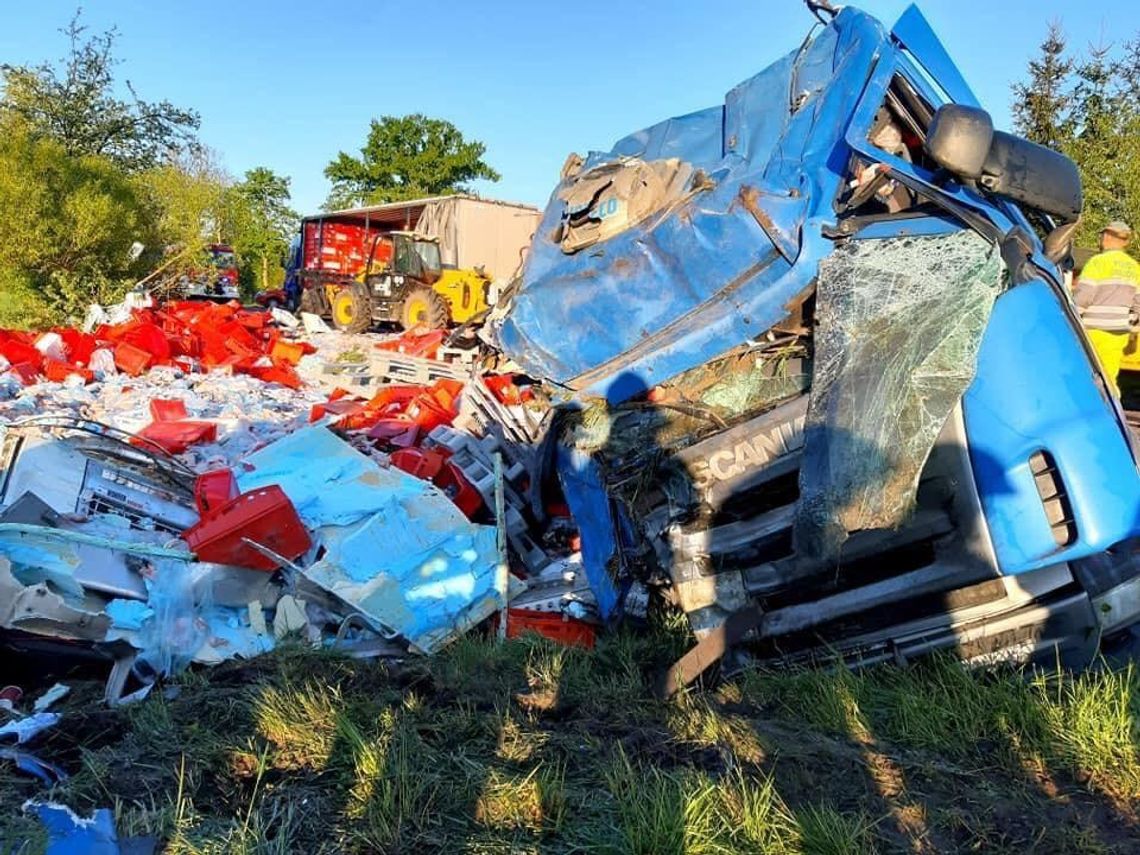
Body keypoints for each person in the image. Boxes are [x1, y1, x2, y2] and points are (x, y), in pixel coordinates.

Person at [1074, 221, 1140, 396]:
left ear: (1106, 237)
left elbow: (1083, 296)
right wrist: (1132, 328)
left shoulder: (1098, 262)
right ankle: (1112, 409)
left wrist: (1071, 318)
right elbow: (1138, 304)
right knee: (1109, 376)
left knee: (1086, 374)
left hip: (1093, 330)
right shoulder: (1134, 267)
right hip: (1118, 332)